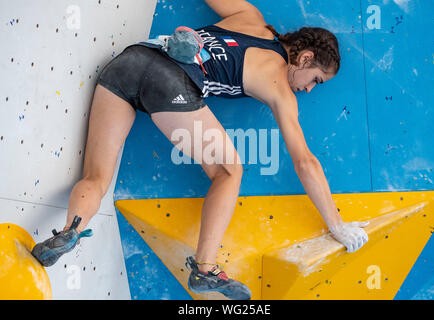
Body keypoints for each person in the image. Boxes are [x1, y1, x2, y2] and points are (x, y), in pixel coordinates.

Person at [31, 0, 369, 300]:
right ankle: (205, 268)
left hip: (128, 61)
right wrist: (337, 226)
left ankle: (69, 231)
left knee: (96, 176)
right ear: (305, 57)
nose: (309, 89)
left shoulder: (249, 16)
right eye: (315, 80)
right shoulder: (282, 90)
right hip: (170, 83)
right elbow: (304, 161)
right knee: (228, 171)